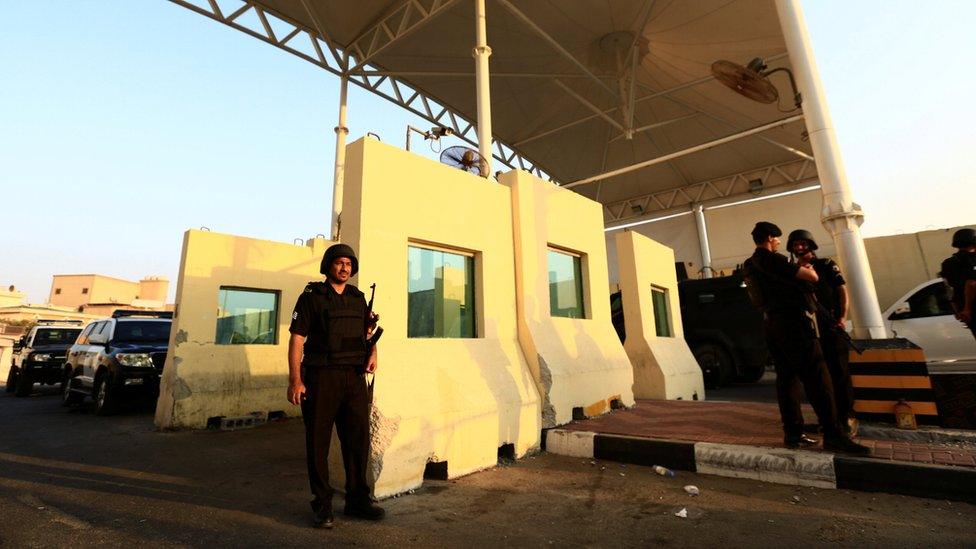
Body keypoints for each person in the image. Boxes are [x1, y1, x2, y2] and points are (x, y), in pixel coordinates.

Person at [741, 221, 868, 453]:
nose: (779, 242)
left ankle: (793, 433)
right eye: (777, 239)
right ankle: (833, 434)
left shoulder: (750, 264)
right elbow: (812, 277)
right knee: (818, 377)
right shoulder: (774, 260)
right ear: (770, 238)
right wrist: (806, 272)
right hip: (793, 324)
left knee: (787, 379)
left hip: (772, 324)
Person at [288, 243, 385, 528]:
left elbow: (367, 333)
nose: (344, 268)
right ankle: (322, 505)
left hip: (354, 378)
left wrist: (374, 354)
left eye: (348, 264)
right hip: (320, 377)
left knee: (357, 441)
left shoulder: (358, 298)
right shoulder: (311, 297)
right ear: (329, 265)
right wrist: (296, 379)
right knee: (318, 443)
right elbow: (296, 339)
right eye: (339, 262)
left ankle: (357, 501)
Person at [787, 229, 857, 435]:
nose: (800, 248)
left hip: (831, 326)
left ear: (811, 245)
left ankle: (847, 417)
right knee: (817, 378)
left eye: (803, 243)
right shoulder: (792, 271)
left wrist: (842, 318)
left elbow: (841, 290)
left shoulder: (826, 265)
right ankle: (828, 419)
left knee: (839, 374)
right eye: (796, 245)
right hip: (808, 331)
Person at [940, 228, 976, 341]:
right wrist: (967, 309)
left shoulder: (947, 263)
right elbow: (971, 284)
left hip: (967, 313)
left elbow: (949, 289)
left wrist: (959, 312)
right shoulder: (973, 260)